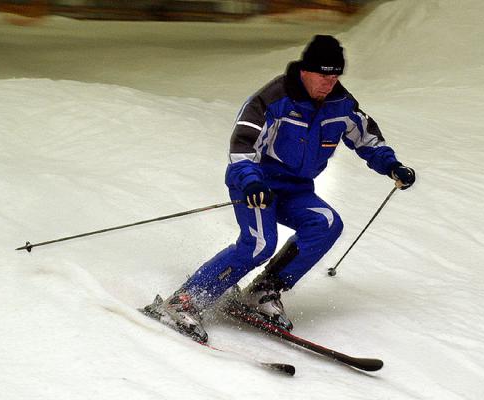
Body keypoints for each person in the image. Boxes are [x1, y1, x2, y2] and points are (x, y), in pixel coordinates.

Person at [145, 35, 416, 342]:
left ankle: (263, 291)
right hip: (253, 183)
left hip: (296, 189)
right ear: (305, 70)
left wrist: (392, 165)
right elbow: (241, 146)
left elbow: (368, 139)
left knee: (326, 224)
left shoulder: (341, 105)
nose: (330, 83)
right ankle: (184, 301)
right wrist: (252, 180)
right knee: (260, 243)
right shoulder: (273, 99)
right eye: (324, 75)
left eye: (336, 76)